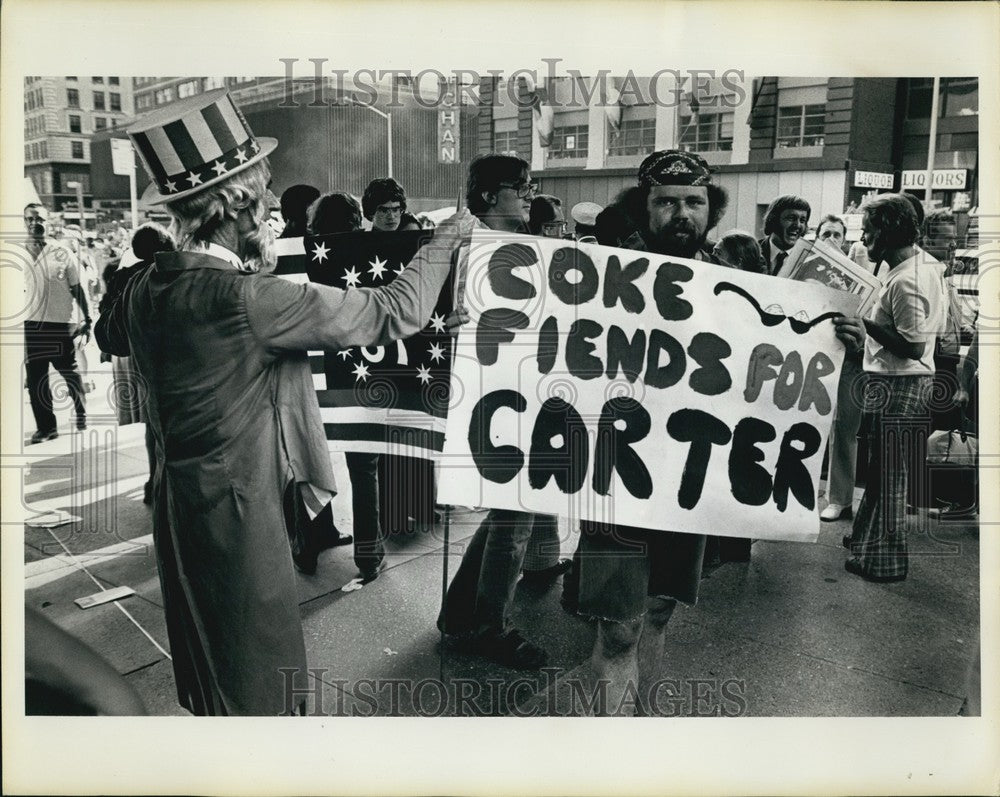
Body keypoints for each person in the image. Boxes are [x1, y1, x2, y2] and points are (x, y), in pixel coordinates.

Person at [95, 89, 468, 715]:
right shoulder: (249, 299)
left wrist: (431, 326)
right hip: (241, 508)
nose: (272, 208)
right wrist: (444, 240)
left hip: (178, 504)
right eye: (263, 197)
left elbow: (149, 344)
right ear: (234, 208)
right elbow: (387, 311)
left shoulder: (143, 288)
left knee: (208, 651)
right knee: (261, 668)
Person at [438, 153, 555, 670]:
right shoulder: (463, 245)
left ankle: (461, 613)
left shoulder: (526, 245)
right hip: (487, 393)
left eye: (531, 185)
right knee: (517, 510)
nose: (530, 193)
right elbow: (435, 319)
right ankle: (490, 627)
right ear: (489, 195)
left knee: (510, 510)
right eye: (519, 186)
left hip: (524, 387)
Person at [844, 194, 946, 582]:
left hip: (902, 382)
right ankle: (867, 548)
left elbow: (914, 344)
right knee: (884, 469)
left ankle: (884, 563)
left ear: (886, 229)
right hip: (899, 380)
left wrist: (864, 322)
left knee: (889, 475)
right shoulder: (918, 266)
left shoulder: (908, 279)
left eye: (869, 229)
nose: (864, 237)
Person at [305, 191, 387, 583]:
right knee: (364, 468)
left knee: (303, 462)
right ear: (357, 219)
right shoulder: (370, 254)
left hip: (308, 380)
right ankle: (369, 556)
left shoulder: (303, 259)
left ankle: (306, 545)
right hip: (357, 377)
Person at [99, 223, 177, 504]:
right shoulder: (171, 273)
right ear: (167, 246)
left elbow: (106, 322)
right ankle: (165, 481)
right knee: (167, 424)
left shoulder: (122, 276)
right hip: (167, 357)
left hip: (134, 356)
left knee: (151, 424)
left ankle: (154, 479)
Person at [23, 204, 90, 443]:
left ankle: (81, 411)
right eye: (29, 219)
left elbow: (78, 288)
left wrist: (88, 318)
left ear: (48, 221)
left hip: (61, 324)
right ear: (24, 222)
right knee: (36, 380)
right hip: (31, 325)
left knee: (69, 373)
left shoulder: (62, 252)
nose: (34, 223)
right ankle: (47, 428)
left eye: (39, 218)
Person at [817, 213, 862, 522]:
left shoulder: (857, 275)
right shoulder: (806, 269)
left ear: (845, 240)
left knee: (844, 429)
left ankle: (839, 498)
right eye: (826, 233)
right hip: (810, 358)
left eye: (837, 234)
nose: (832, 239)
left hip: (847, 359)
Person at [759, 195, 811, 274]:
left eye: (802, 220)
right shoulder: (752, 253)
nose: (797, 225)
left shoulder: (808, 259)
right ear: (773, 220)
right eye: (791, 218)